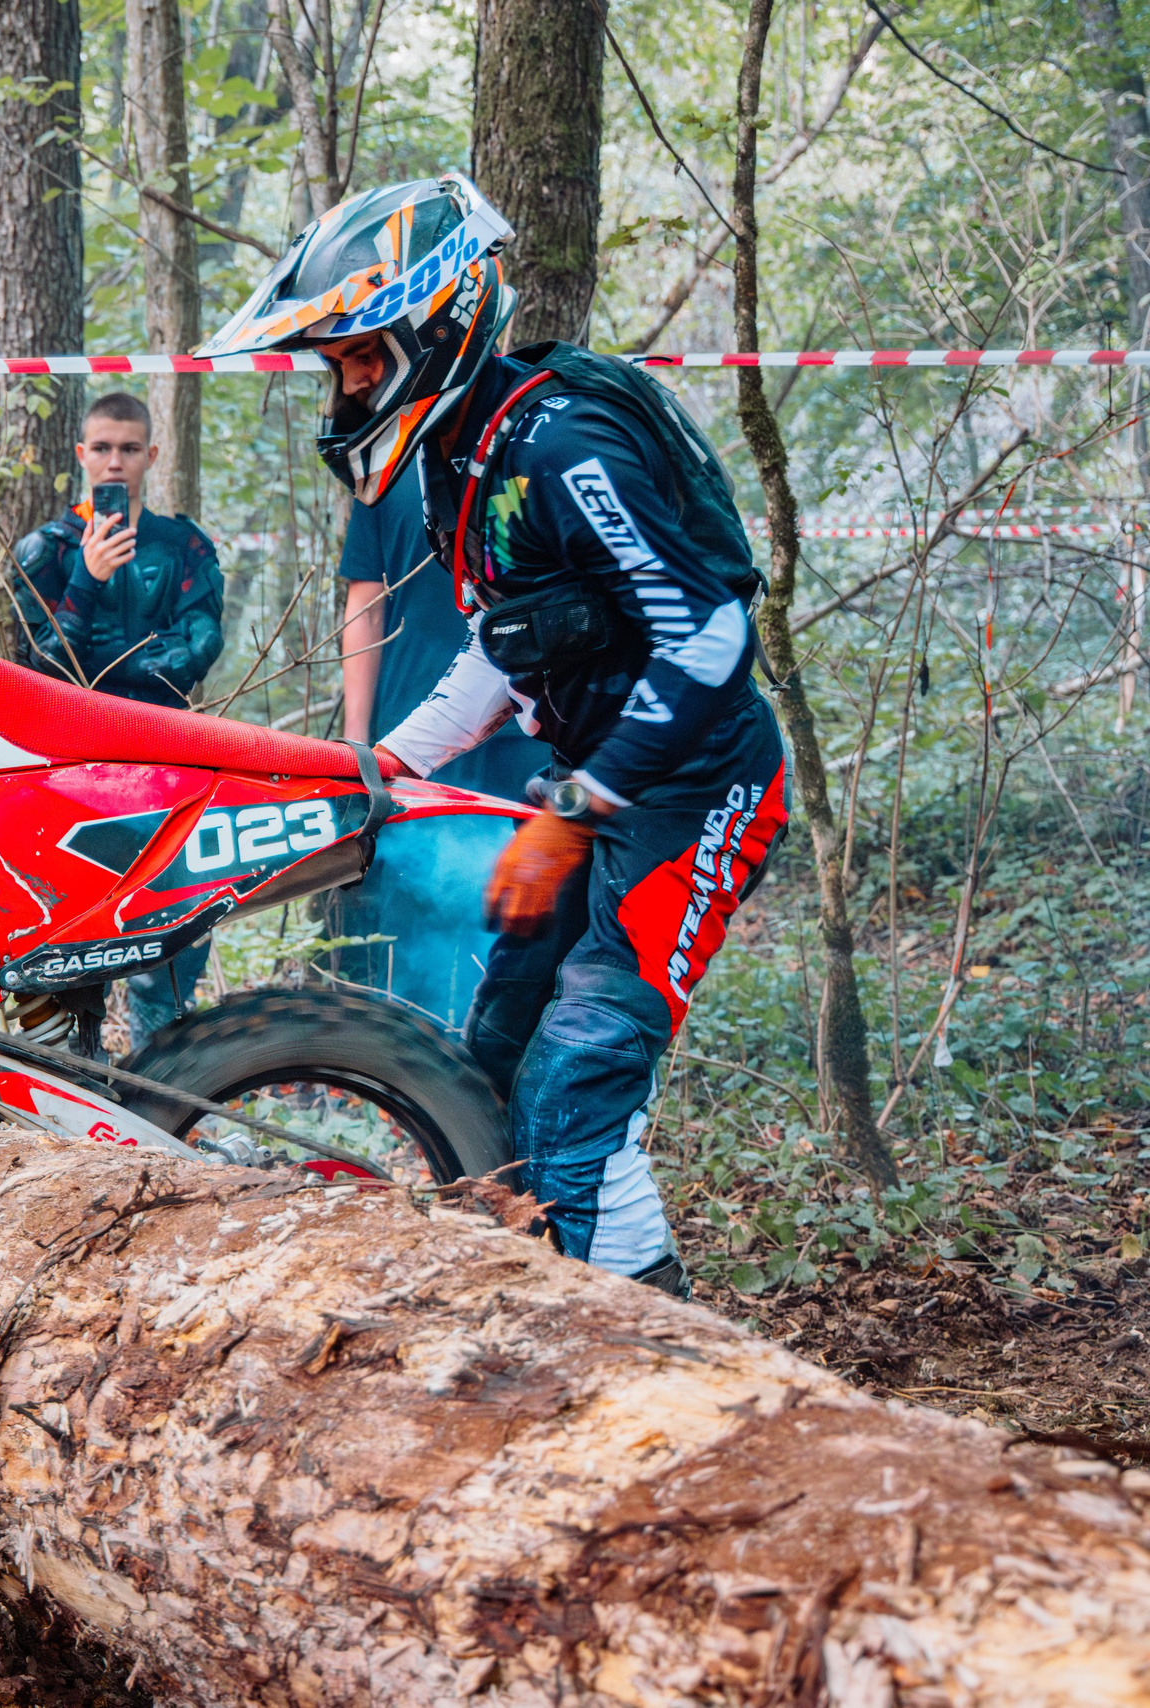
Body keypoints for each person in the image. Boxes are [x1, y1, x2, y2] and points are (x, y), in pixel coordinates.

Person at [202, 174, 785, 1297]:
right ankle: (541, 1300)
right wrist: (380, 766)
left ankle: (651, 1342)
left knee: (578, 1076)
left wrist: (575, 811)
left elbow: (709, 639)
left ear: (437, 327)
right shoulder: (454, 459)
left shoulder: (565, 447)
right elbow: (496, 649)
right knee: (491, 1060)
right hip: (595, 784)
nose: (349, 384)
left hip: (693, 794)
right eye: (336, 366)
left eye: (364, 356)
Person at [9, 392, 227, 1042]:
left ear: (151, 455)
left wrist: (100, 661)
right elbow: (36, 673)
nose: (114, 462)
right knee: (75, 941)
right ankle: (73, 1094)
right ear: (81, 454)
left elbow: (196, 653)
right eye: (101, 448)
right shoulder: (46, 550)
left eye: (129, 449)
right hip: (74, 771)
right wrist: (87, 583)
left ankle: (164, 1098)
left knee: (176, 930)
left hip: (169, 763)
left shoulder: (184, 545)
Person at [326, 459, 551, 1023]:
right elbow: (365, 600)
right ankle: (405, 1074)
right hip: (418, 726)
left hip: (526, 734)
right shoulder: (382, 473)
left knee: (513, 909)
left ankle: (488, 1070)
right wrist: (356, 741)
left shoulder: (536, 456)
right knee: (413, 906)